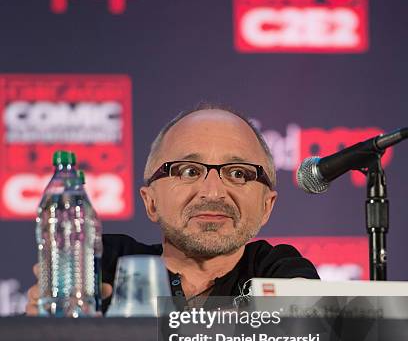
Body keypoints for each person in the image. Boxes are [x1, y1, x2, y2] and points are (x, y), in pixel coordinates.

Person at [26, 103, 318, 315]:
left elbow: (317, 338)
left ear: (267, 206)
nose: (213, 192)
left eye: (238, 173)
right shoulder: (106, 264)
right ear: (150, 201)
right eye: (189, 171)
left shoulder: (279, 270)